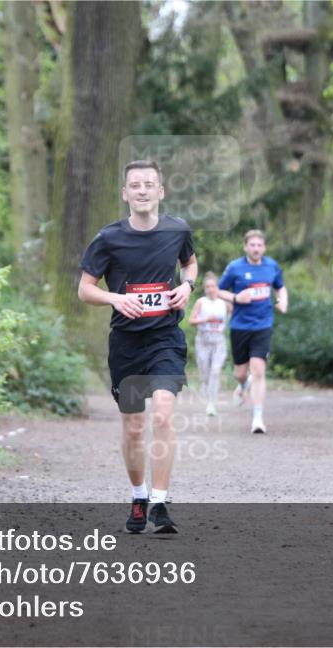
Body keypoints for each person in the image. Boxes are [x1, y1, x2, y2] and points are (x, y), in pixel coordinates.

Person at [77, 159, 198, 534]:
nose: (143, 190)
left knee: (163, 413)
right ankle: (139, 495)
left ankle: (161, 503)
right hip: (126, 343)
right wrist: (115, 299)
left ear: (160, 191)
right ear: (125, 193)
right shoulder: (108, 238)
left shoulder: (178, 230)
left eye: (149, 184)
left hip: (164, 337)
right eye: (135, 185)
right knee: (133, 427)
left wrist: (186, 287)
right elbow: (84, 289)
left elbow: (190, 265)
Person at [217, 230, 287, 434]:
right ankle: (242, 383)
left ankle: (257, 418)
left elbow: (280, 288)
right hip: (240, 326)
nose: (256, 248)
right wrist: (237, 298)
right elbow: (219, 291)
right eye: (252, 245)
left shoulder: (272, 266)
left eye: (259, 245)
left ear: (264, 247)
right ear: (245, 246)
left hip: (263, 325)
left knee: (258, 370)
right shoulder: (235, 267)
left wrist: (283, 301)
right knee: (240, 372)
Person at [189, 272, 230, 417]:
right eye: (207, 287)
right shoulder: (201, 302)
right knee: (205, 373)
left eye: (212, 286)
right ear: (204, 288)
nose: (210, 289)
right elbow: (191, 321)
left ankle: (211, 403)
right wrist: (205, 319)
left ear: (217, 287)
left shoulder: (224, 303)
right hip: (203, 341)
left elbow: (234, 315)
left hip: (219, 341)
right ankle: (205, 385)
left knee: (215, 371)